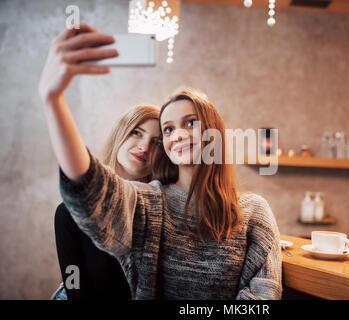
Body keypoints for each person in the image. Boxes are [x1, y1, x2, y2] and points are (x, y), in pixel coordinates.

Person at [39, 24, 282, 299]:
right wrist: (53, 100)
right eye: (168, 129)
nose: (177, 134)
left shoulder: (255, 211)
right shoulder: (148, 202)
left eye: (190, 122)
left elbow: (264, 293)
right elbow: (92, 188)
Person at [52, 105, 160, 299]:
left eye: (156, 142)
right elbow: (73, 283)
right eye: (137, 132)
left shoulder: (163, 214)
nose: (144, 147)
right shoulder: (69, 213)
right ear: (120, 133)